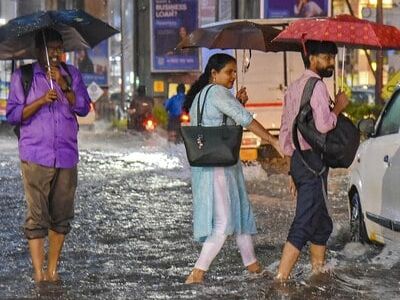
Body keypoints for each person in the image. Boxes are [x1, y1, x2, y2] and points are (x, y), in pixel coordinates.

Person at [183, 53, 283, 284]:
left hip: (217, 164)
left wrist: (237, 103)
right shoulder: (217, 92)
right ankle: (196, 274)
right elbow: (245, 119)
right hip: (218, 167)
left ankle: (253, 266)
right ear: (214, 74)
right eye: (229, 72)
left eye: (235, 72)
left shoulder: (201, 95)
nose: (233, 77)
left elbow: (221, 124)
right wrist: (272, 139)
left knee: (240, 217)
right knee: (224, 224)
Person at [6, 28, 91, 282]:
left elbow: (84, 108)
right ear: (38, 50)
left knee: (62, 215)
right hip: (35, 155)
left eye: (58, 47)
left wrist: (65, 87)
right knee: (37, 215)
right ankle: (39, 272)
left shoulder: (71, 74)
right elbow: (12, 114)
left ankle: (53, 270)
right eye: (50, 48)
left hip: (66, 155)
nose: (55, 53)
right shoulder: (24, 76)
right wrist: (42, 100)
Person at [276, 40, 349, 282]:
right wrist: (337, 107)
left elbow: (285, 130)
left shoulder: (294, 86)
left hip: (299, 160)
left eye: (332, 58)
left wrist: (291, 170)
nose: (330, 63)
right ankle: (281, 279)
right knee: (305, 220)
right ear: (312, 58)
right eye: (326, 58)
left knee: (322, 223)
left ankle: (318, 273)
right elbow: (324, 125)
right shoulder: (317, 86)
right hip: (313, 162)